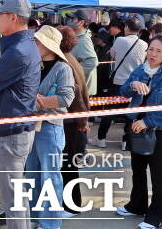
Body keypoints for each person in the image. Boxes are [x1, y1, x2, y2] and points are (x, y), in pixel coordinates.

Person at [0, 0, 41, 229]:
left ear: (13, 17)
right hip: (15, 128)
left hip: (11, 131)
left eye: (0, 16)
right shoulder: (23, 46)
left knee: (11, 197)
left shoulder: (19, 51)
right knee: (16, 193)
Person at [116, 34, 162, 229]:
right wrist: (132, 85)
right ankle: (136, 205)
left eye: (158, 51)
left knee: (158, 175)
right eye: (151, 49)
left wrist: (148, 121)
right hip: (136, 126)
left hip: (160, 130)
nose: (153, 54)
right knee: (137, 170)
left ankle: (155, 218)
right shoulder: (139, 70)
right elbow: (124, 92)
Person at [26, 25, 75, 229]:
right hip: (31, 127)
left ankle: (51, 223)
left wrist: (43, 102)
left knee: (50, 174)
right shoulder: (33, 65)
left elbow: (67, 98)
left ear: (48, 45)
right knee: (33, 174)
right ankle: (37, 218)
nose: (34, 43)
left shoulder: (63, 68)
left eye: (37, 41)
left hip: (50, 127)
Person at [91, 15, 147, 148]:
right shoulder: (144, 44)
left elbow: (112, 55)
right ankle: (125, 142)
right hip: (135, 84)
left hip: (118, 82)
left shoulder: (120, 40)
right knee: (131, 113)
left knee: (109, 112)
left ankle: (101, 139)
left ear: (127, 27)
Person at [57, 25, 91, 215]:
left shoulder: (64, 63)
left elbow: (77, 94)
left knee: (68, 165)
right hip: (75, 121)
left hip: (71, 122)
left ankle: (72, 205)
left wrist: (81, 122)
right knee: (69, 165)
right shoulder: (71, 59)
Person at [65, 9, 98, 96]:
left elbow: (92, 61)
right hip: (80, 89)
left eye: (73, 19)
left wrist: (74, 74)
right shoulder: (79, 37)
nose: (69, 21)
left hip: (82, 90)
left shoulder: (84, 40)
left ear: (81, 22)